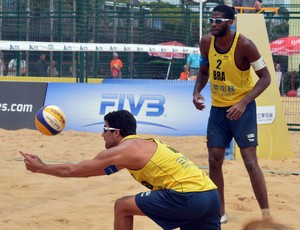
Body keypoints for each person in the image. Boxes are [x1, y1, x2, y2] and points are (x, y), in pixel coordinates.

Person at [20, 110, 221, 230]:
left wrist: (42, 168)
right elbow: (93, 171)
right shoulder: (140, 146)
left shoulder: (124, 150)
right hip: (210, 195)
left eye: (104, 130)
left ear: (116, 132)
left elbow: (74, 170)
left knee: (122, 206)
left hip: (187, 196)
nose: (101, 135)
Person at [192, 5, 271, 224]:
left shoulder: (244, 45)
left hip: (241, 110)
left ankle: (266, 214)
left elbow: (265, 78)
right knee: (214, 160)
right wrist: (196, 91)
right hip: (218, 110)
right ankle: (220, 213)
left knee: (250, 162)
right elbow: (205, 70)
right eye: (211, 20)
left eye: (217, 21)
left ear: (229, 22)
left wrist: (244, 102)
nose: (213, 24)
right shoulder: (206, 42)